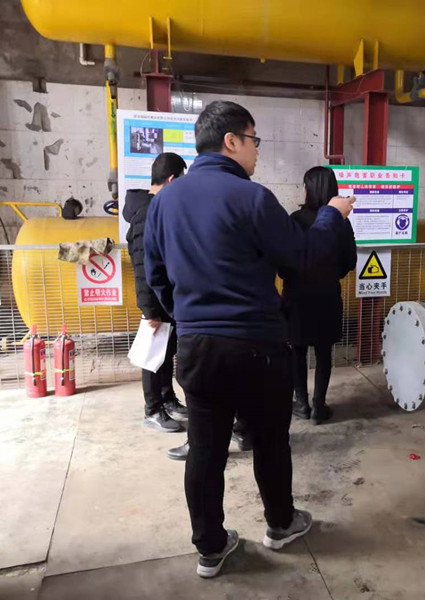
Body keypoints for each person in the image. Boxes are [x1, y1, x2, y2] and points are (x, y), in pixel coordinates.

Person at [144, 100, 355, 579]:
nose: (257, 150)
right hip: (258, 345)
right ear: (231, 141)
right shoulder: (252, 198)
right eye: (254, 140)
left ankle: (210, 548)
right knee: (269, 441)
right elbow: (305, 258)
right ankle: (281, 524)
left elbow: (156, 277)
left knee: (205, 449)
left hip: (198, 347)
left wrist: (191, 318)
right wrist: (331, 214)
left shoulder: (164, 204)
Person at [282, 167, 356, 424]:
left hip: (297, 298)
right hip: (327, 296)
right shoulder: (341, 223)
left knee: (297, 351)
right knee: (324, 353)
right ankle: (319, 407)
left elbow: (285, 261)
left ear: (307, 189)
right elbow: (350, 261)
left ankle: (301, 404)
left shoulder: (294, 219)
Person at [123, 152, 188, 435]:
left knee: (166, 352)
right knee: (153, 357)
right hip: (156, 301)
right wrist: (149, 309)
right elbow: (142, 265)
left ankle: (167, 398)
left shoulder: (159, 209)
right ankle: (152, 410)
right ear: (171, 179)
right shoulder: (147, 214)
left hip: (168, 298)